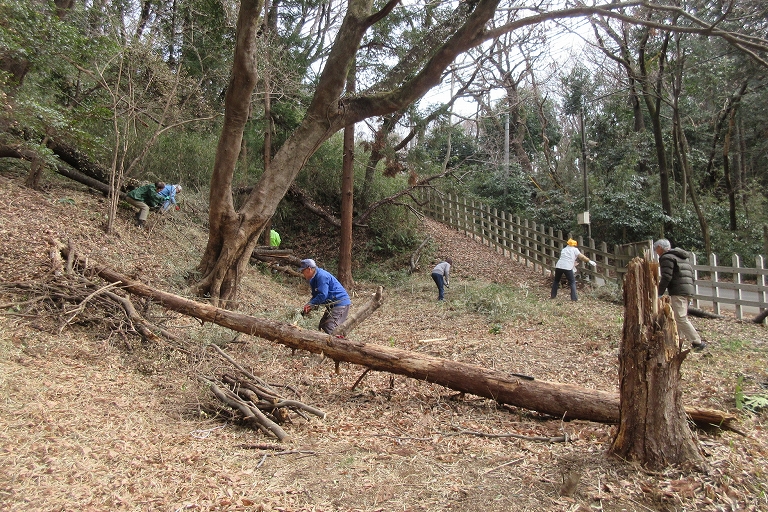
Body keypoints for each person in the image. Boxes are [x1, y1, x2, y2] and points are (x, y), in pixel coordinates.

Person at [654, 238, 706, 351]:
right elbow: (691, 275)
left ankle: (697, 342)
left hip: (679, 291)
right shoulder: (681, 257)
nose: (656, 252)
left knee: (681, 318)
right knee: (680, 317)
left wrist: (659, 292)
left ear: (659, 248)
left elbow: (667, 276)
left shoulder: (666, 257)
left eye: (655, 249)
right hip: (688, 290)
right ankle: (677, 341)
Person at [299, 258, 351, 335]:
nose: (303, 274)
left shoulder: (321, 276)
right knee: (323, 325)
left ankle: (339, 345)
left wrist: (311, 304)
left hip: (340, 303)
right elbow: (316, 296)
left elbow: (323, 295)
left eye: (303, 271)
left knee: (330, 326)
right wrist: (309, 305)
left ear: (309, 269)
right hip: (332, 305)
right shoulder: (313, 279)